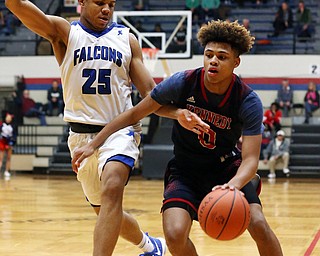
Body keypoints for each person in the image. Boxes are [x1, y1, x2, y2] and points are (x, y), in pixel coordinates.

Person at [72, 20, 283, 256]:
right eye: (209, 55)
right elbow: (134, 112)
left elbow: (251, 160)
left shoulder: (247, 100)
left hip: (226, 168)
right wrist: (94, 143)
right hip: (185, 170)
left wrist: (231, 187)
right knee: (174, 236)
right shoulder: (183, 82)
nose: (213, 61)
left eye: (222, 57)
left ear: (236, 62)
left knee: (258, 223)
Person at [5, 0, 168, 255]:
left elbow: (150, 93)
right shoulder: (65, 32)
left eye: (111, 4)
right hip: (80, 137)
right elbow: (17, 5)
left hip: (119, 130)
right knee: (106, 210)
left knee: (113, 187)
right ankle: (150, 245)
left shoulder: (127, 39)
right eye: (100, 3)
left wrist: (180, 112)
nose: (107, 9)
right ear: (81, 2)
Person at [0, 112, 16, 178]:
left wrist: (11, 142)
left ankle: (7, 171)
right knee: (1, 158)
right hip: (2, 142)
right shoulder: (1, 125)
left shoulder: (13, 126)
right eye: (7, 117)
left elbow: (14, 135)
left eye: (10, 118)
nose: (8, 119)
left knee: (8, 158)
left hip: (9, 142)